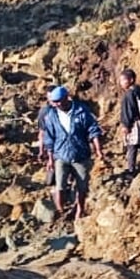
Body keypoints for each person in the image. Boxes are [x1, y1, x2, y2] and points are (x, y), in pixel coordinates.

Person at [41, 85, 103, 220]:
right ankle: (60, 210)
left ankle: (80, 210)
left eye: (59, 101)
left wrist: (98, 150)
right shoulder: (52, 115)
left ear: (66, 98)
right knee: (60, 185)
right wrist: (50, 159)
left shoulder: (81, 111)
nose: (57, 104)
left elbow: (93, 130)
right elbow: (49, 138)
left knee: (82, 186)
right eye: (54, 102)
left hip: (80, 155)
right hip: (61, 155)